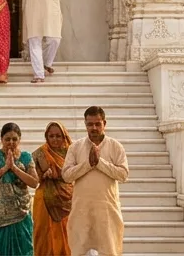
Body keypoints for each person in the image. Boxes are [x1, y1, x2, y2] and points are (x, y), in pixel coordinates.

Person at [62, 106, 129, 256]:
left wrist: (100, 163)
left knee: (109, 251)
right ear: (85, 124)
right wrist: (88, 164)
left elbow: (123, 174)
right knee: (80, 251)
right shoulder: (75, 147)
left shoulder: (115, 146)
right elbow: (66, 176)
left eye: (97, 124)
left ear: (104, 123)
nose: (94, 128)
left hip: (107, 210)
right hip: (82, 210)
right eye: (90, 124)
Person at [0, 121, 38, 255]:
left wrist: (14, 168)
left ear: (19, 139)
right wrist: (4, 169)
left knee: (23, 247)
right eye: (7, 139)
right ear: (1, 139)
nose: (11, 142)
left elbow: (34, 182)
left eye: (14, 139)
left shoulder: (26, 157)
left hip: (21, 212)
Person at [32, 121, 74, 255]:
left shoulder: (72, 153)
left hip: (67, 199)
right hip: (44, 200)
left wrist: (60, 174)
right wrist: (43, 175)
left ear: (64, 136)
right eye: (51, 136)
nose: (55, 139)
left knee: (68, 236)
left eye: (58, 136)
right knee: (44, 236)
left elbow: (75, 175)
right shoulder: (40, 153)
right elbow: (33, 179)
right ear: (46, 137)